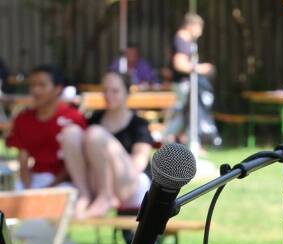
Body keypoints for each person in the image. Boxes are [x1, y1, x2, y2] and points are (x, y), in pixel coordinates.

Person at [59, 71, 153, 218]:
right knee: (71, 132)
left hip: (130, 182)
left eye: (115, 91)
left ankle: (105, 196)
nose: (108, 95)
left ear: (126, 93)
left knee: (95, 133)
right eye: (105, 91)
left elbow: (139, 162)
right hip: (97, 181)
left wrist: (115, 184)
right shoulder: (93, 120)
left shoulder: (138, 124)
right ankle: (85, 195)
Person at [4, 64, 87, 190]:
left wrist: (49, 188)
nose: (35, 90)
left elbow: (78, 160)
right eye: (32, 85)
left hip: (69, 181)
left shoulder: (73, 118)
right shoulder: (23, 118)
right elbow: (23, 158)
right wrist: (28, 188)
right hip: (35, 178)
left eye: (42, 85)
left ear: (58, 89)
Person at [163, 13, 221, 147]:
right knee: (184, 115)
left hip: (184, 84)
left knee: (186, 115)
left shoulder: (183, 40)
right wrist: (200, 68)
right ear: (191, 26)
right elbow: (179, 64)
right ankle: (165, 139)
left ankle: (189, 144)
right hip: (183, 84)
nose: (200, 33)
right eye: (200, 28)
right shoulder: (182, 40)